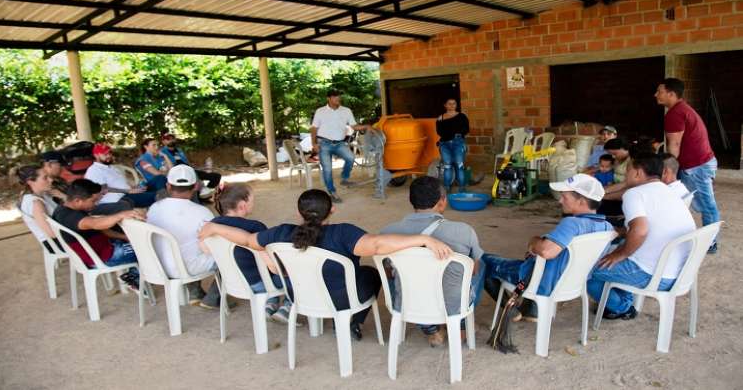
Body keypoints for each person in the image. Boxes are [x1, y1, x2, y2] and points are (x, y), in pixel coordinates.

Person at [198, 189, 453, 340]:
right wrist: (422, 238)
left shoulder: (282, 232)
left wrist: (214, 226)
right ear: (332, 211)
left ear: (299, 213)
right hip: (341, 299)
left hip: (300, 295)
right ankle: (353, 322)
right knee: (371, 273)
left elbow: (246, 240)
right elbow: (377, 246)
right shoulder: (343, 233)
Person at [480, 174, 614, 321]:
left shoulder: (572, 223)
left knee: (482, 260)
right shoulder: (607, 227)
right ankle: (531, 309)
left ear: (581, 201)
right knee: (537, 260)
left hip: (543, 283)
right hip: (572, 282)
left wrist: (534, 241)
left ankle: (511, 309)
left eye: (565, 197)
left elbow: (546, 251)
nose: (560, 200)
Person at [587, 153, 695, 319]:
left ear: (638, 173)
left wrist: (620, 254)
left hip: (654, 275)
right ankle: (622, 300)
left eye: (628, 171)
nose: (625, 175)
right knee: (613, 253)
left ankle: (621, 307)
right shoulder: (669, 191)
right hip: (679, 273)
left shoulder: (634, 193)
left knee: (584, 269)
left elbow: (640, 230)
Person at [380, 176, 484, 347]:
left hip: (410, 304)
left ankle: (431, 330)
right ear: (442, 202)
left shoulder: (388, 233)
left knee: (394, 276)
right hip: (452, 306)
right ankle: (461, 327)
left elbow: (387, 274)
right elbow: (473, 272)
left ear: (411, 201)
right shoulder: (464, 231)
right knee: (479, 264)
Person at [209, 183, 293, 323]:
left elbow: (206, 249)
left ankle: (270, 303)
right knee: (292, 271)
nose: (254, 204)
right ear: (242, 205)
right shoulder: (255, 227)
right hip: (259, 284)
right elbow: (271, 265)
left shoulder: (212, 225)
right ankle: (288, 307)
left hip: (233, 282)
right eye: (252, 201)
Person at [656, 78, 720, 253]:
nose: (656, 95)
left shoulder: (675, 114)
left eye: (659, 91)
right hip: (699, 163)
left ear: (671, 93)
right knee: (681, 200)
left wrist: (669, 170)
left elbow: (674, 145)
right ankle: (673, 237)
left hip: (696, 166)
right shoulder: (682, 109)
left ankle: (711, 243)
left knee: (707, 205)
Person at [146, 165, 223, 309]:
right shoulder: (202, 212)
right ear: (195, 186)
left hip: (156, 266)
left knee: (187, 248)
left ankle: (195, 292)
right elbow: (213, 242)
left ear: (168, 186)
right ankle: (213, 297)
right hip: (185, 267)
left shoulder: (154, 208)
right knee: (230, 253)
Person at [52, 179, 143, 288]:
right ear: (77, 200)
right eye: (93, 201)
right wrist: (120, 215)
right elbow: (95, 223)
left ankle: (135, 274)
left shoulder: (63, 208)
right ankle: (134, 277)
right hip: (103, 257)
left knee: (139, 241)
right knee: (148, 248)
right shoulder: (70, 217)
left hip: (101, 250)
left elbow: (100, 229)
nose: (96, 204)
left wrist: (124, 237)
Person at [310, 90, 372, 203]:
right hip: (323, 143)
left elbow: (354, 126)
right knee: (327, 169)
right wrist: (313, 143)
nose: (338, 99)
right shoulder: (320, 111)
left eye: (339, 97)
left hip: (339, 143)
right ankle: (332, 192)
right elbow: (314, 128)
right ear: (328, 98)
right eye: (335, 97)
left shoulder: (346, 111)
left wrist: (366, 126)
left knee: (351, 158)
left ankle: (344, 178)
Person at [84, 143, 157, 215]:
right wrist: (128, 191)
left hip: (128, 192)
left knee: (159, 179)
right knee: (156, 196)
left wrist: (134, 186)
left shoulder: (111, 167)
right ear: (96, 155)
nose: (109, 156)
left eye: (110, 153)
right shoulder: (94, 170)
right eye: (105, 154)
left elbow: (122, 182)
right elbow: (103, 189)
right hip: (120, 198)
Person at [17, 165, 63, 253]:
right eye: (45, 178)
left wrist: (63, 197)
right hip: (55, 243)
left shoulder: (43, 194)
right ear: (30, 182)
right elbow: (51, 233)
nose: (51, 180)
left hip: (59, 237)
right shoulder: (35, 202)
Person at [436, 98, 469, 193]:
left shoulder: (462, 116)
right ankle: (447, 188)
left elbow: (465, 129)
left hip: (458, 142)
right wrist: (453, 133)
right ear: (445, 105)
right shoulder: (440, 118)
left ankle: (462, 189)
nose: (451, 105)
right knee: (447, 166)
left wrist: (451, 134)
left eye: (454, 103)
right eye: (449, 103)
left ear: (456, 105)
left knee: (459, 165)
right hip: (444, 144)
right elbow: (439, 132)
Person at [597, 138, 632, 219]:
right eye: (610, 154)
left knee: (599, 202)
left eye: (615, 153)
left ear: (623, 148)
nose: (613, 156)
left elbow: (626, 184)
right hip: (614, 187)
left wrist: (605, 192)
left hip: (624, 191)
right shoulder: (617, 159)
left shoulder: (631, 161)